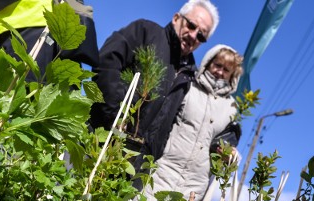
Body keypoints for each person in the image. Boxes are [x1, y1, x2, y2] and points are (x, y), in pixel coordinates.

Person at [138, 44, 244, 201]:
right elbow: (164, 119)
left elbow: (223, 141)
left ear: (232, 75)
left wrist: (228, 151)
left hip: (194, 181)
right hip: (166, 166)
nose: (219, 72)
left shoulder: (231, 108)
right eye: (217, 65)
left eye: (226, 70)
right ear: (208, 63)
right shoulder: (187, 86)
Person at [89, 0, 219, 150]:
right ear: (176, 18)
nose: (194, 35)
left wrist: (154, 152)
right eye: (191, 25)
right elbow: (107, 63)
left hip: (135, 165)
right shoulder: (145, 32)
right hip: (99, 140)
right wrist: (114, 119)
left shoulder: (189, 77)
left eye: (201, 36)